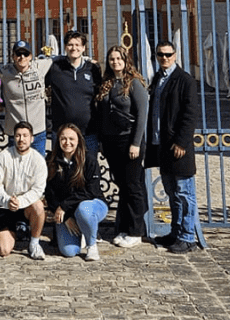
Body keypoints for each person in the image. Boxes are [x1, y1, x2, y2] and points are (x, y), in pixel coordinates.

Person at [145, 40, 199, 253]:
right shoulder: (158, 79)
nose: (164, 58)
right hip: (162, 145)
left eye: (168, 54)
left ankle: (187, 237)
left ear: (175, 55)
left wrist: (182, 141)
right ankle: (176, 232)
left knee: (184, 193)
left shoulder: (185, 80)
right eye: (160, 54)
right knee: (171, 192)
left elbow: (190, 114)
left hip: (178, 147)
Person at [94, 44, 148, 247]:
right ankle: (124, 228)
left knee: (133, 186)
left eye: (119, 58)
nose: (115, 62)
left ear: (126, 60)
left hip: (129, 140)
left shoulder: (134, 83)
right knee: (123, 185)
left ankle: (135, 231)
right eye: (112, 59)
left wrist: (136, 143)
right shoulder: (107, 82)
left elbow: (142, 115)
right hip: (111, 141)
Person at [46, 123, 108, 260]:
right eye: (63, 138)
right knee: (69, 251)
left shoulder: (89, 159)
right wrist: (66, 216)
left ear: (78, 140)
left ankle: (92, 245)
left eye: (71, 139)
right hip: (67, 211)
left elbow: (91, 191)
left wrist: (64, 206)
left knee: (83, 209)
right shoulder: (51, 160)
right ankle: (81, 233)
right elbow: (49, 193)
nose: (67, 142)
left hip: (92, 204)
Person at [0, 120, 48, 260]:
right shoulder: (3, 156)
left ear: (31, 138)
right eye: (18, 136)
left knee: (39, 206)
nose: (21, 139)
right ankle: (15, 231)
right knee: (4, 250)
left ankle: (34, 243)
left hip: (27, 206)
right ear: (14, 137)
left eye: (25, 135)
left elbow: (38, 190)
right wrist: (7, 200)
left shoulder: (38, 160)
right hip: (5, 206)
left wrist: (20, 202)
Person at [45, 30, 102, 158]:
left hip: (88, 132)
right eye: (70, 45)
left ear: (83, 48)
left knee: (89, 169)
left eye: (77, 45)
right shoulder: (55, 68)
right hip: (61, 132)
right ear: (65, 47)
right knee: (61, 171)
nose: (73, 48)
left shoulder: (93, 69)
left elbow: (100, 96)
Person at [0, 39, 52, 155]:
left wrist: (87, 59)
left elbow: (63, 59)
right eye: (18, 54)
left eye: (25, 54)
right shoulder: (4, 73)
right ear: (13, 56)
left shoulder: (40, 67)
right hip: (16, 133)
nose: (22, 57)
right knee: (16, 168)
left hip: (37, 131)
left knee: (38, 167)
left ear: (31, 56)